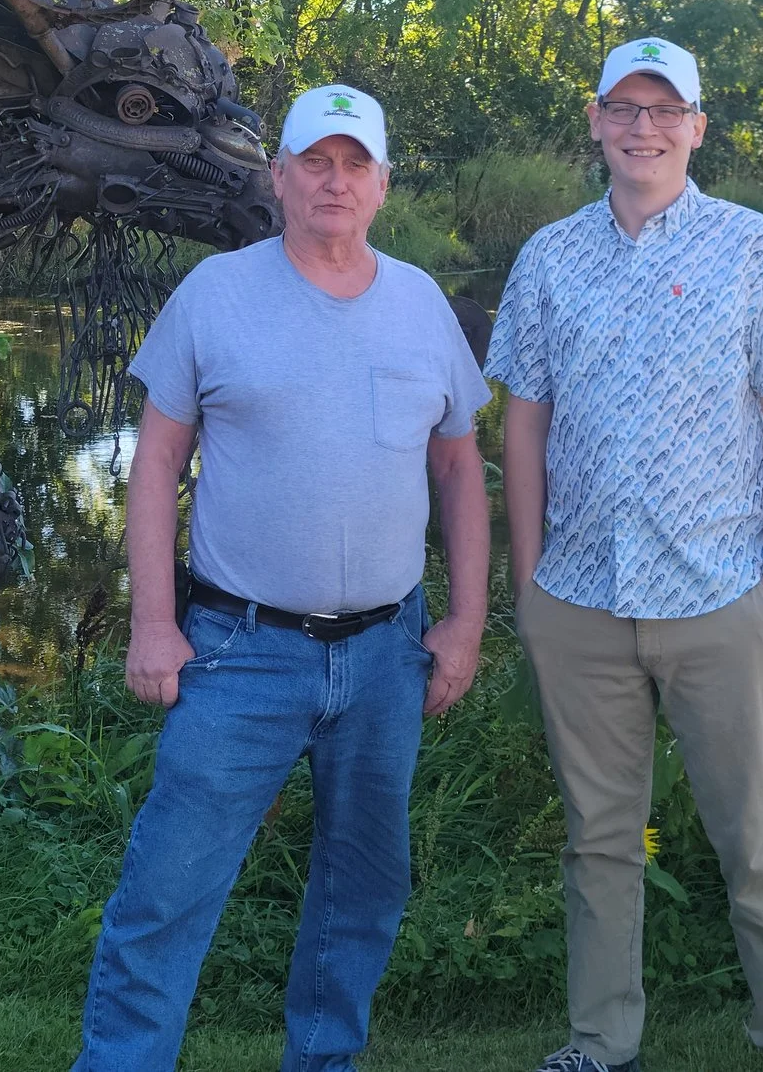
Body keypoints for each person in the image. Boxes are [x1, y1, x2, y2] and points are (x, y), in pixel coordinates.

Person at [71, 82, 494, 1072]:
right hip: (235, 651)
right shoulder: (216, 294)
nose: (333, 181)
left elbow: (457, 467)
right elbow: (157, 461)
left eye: (354, 163)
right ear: (278, 178)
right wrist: (152, 621)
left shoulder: (421, 303)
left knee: (361, 892)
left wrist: (468, 619)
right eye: (314, 160)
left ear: (383, 183)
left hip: (389, 654)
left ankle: (321, 1061)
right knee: (166, 892)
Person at [486, 37, 763, 1072]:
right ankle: (600, 1041)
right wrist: (530, 581)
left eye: (664, 108)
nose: (642, 128)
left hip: (719, 596)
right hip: (580, 602)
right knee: (597, 844)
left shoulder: (754, 248)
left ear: (697, 124)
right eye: (622, 107)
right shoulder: (549, 256)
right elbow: (522, 422)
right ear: (595, 121)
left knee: (756, 847)